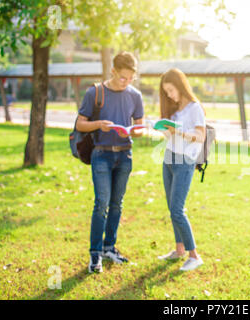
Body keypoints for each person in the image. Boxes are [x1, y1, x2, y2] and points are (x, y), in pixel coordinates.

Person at [76, 51, 144, 273]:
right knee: (102, 203)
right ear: (113, 71)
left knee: (117, 204)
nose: (126, 82)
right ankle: (95, 254)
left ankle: (109, 247)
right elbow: (80, 124)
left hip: (125, 155)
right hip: (102, 155)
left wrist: (133, 132)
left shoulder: (135, 96)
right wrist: (99, 125)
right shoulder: (95, 92)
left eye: (131, 78)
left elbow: (140, 128)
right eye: (123, 77)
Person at [156, 68, 206, 272]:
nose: (169, 94)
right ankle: (179, 250)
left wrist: (180, 132)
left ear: (180, 85)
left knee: (177, 210)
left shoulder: (195, 108)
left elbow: (200, 136)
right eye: (166, 91)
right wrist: (167, 132)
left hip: (185, 161)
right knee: (172, 209)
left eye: (170, 90)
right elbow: (173, 136)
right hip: (169, 159)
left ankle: (194, 255)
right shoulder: (176, 111)